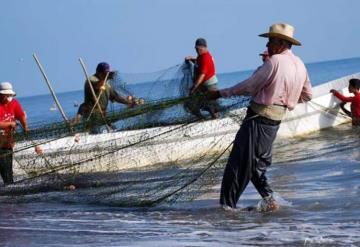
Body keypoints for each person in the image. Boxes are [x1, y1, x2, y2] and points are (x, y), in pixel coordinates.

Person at [208, 23, 313, 211]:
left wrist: (220, 93)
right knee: (255, 165)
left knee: (238, 164)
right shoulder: (300, 64)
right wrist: (284, 98)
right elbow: (307, 95)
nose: (267, 46)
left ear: (281, 43)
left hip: (258, 119)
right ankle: (270, 201)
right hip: (274, 122)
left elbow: (249, 86)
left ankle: (227, 209)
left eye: (270, 41)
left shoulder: (274, 62)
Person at [0, 82, 41, 186]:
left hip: (8, 142)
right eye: (6, 95)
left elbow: (21, 115)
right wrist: (10, 124)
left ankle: (8, 189)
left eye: (10, 95)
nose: (9, 97)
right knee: (5, 170)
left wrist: (25, 127)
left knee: (8, 169)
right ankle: (9, 189)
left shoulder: (14, 103)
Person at [76, 62, 136, 132]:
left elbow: (115, 97)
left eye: (107, 73)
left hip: (103, 115)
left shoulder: (107, 84)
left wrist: (129, 102)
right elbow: (96, 86)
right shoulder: (91, 79)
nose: (106, 75)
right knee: (97, 132)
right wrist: (105, 79)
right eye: (105, 73)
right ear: (98, 72)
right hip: (92, 115)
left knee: (113, 129)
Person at [185, 38, 220, 119]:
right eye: (196, 48)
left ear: (204, 47)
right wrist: (192, 59)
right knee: (189, 103)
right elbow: (198, 63)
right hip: (202, 87)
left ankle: (216, 120)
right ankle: (202, 119)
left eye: (198, 48)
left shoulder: (206, 58)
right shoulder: (200, 56)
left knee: (212, 106)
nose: (197, 50)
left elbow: (202, 75)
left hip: (210, 86)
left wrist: (194, 88)